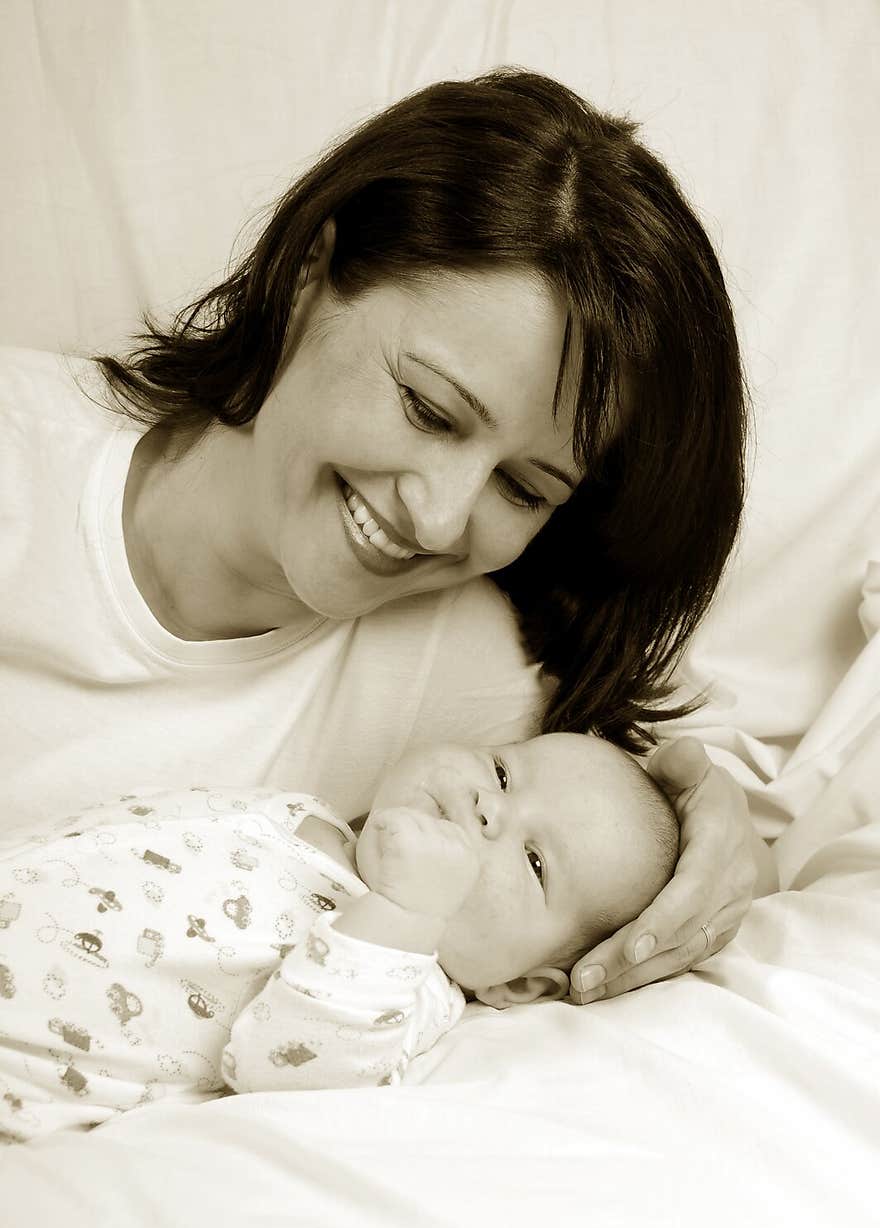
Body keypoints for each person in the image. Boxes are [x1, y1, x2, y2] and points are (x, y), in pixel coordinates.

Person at [0, 68, 766, 1017]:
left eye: (523, 488)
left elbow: (635, 809)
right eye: (429, 410)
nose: (440, 519)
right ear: (312, 273)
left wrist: (719, 828)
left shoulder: (472, 680)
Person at [0, 732, 684, 1141]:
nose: (489, 804)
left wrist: (408, 909)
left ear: (518, 983)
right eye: (503, 771)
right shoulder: (313, 810)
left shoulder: (408, 985)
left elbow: (285, 1064)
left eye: (536, 861)